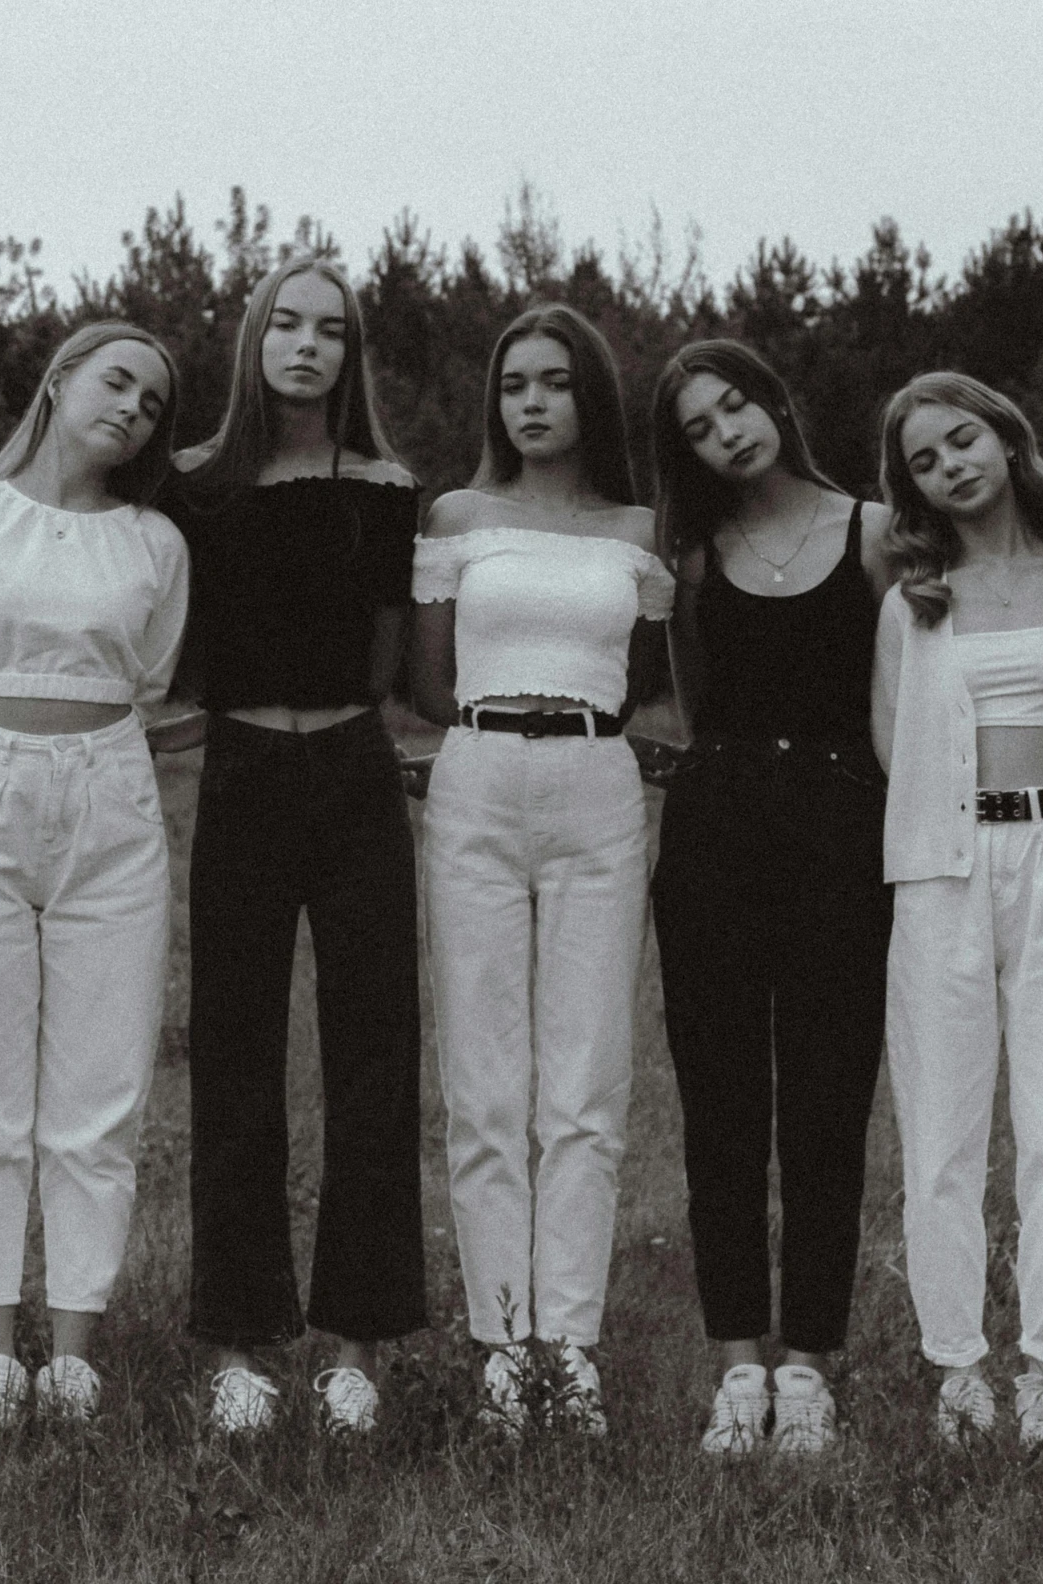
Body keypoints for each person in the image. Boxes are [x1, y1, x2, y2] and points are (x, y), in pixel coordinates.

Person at [155, 261, 426, 1436]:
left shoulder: (386, 488)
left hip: (357, 775)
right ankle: (237, 1344)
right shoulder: (192, 487)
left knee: (374, 1051)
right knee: (234, 1049)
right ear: (254, 338)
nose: (308, 346)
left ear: (353, 352)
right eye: (288, 325)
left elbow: (381, 660)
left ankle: (356, 1343)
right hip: (243, 775)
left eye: (333, 330)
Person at [0, 322, 187, 1428]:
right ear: (62, 380)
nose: (132, 408)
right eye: (117, 381)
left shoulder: (156, 543)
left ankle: (72, 1351)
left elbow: (151, 676)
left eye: (155, 403)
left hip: (110, 795)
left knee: (99, 1083)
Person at [409, 303, 673, 1438]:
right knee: (483, 1080)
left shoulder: (639, 529)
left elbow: (656, 679)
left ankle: (570, 1347)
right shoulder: (457, 517)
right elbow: (423, 680)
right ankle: (502, 1346)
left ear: (589, 398)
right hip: (473, 777)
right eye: (514, 382)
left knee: (585, 1081)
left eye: (554, 382)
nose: (530, 401)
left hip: (597, 788)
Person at [872, 371, 1043, 1448]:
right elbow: (896, 743)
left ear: (1007, 438)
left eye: (962, 439)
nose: (951, 466)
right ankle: (957, 1367)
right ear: (914, 490)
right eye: (925, 461)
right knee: (939, 1126)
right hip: (944, 865)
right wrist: (957, 833)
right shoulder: (915, 601)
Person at [646, 340, 896, 1455]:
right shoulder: (697, 558)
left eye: (734, 404)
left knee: (828, 1100)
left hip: (845, 833)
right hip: (716, 836)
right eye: (698, 427)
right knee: (723, 1104)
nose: (725, 433)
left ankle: (809, 1367)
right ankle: (738, 1365)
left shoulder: (877, 531)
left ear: (776, 399)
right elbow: (701, 708)